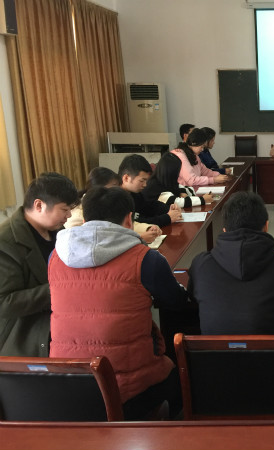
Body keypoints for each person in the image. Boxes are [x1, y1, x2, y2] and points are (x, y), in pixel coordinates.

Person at [48, 186, 188, 420]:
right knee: (181, 380)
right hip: (130, 391)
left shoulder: (55, 256)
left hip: (68, 385)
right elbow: (176, 301)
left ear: (85, 219)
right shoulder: (146, 259)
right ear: (129, 219)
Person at [187, 191, 274, 335]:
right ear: (266, 226)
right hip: (272, 351)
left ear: (225, 230)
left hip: (213, 351)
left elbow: (192, 299)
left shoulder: (201, 264)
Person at [0, 173, 78, 357]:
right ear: (39, 205)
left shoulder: (57, 230)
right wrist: (59, 289)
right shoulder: (6, 242)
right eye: (64, 209)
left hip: (61, 317)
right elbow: (4, 303)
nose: (68, 216)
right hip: (24, 331)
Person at [119, 154, 182, 227]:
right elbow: (137, 223)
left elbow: (149, 206)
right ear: (126, 178)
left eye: (146, 180)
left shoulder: (135, 193)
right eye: (142, 180)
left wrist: (170, 208)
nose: (145, 185)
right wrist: (168, 218)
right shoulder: (116, 200)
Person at [143, 152, 213, 208]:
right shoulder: (154, 186)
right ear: (171, 172)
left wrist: (180, 193)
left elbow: (190, 189)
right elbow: (176, 202)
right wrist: (203, 199)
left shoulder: (167, 181)